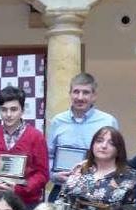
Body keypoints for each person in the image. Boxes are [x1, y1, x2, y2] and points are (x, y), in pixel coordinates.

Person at [58, 126, 136, 210]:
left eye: (111, 143)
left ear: (119, 149)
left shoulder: (129, 176)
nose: (104, 146)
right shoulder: (80, 169)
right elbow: (61, 200)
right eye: (99, 141)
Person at [46, 73, 119, 202]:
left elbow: (115, 157)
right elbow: (49, 155)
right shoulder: (58, 121)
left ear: (94, 96)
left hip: (95, 192)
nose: (80, 97)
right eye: (76, 92)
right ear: (70, 94)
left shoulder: (108, 122)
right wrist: (53, 175)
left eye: (85, 92)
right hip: (62, 189)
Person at [0, 86, 48, 210]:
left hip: (26, 205)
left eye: (13, 109)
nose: (8, 114)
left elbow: (42, 175)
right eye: (4, 110)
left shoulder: (36, 137)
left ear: (22, 110)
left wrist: (18, 189)